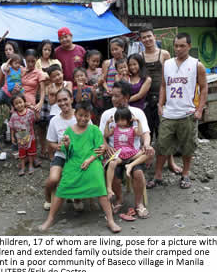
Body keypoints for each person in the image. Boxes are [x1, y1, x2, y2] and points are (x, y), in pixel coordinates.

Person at [40, 100, 121, 233]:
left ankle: (110, 220)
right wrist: (66, 145)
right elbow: (68, 152)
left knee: (99, 182)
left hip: (92, 161)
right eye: (80, 115)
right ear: (75, 114)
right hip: (73, 161)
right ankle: (50, 219)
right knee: (62, 186)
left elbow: (99, 149)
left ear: (90, 117)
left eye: (86, 116)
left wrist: (89, 160)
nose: (83, 118)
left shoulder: (94, 129)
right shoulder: (69, 130)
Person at [150, 33, 208, 189]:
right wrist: (160, 105)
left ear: (189, 46)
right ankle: (158, 176)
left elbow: (204, 88)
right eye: (176, 45)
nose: (178, 49)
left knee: (188, 147)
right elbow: (163, 85)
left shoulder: (197, 65)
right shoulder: (167, 64)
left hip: (187, 113)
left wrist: (199, 109)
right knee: (162, 146)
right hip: (169, 113)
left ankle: (185, 174)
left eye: (182, 45)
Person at [99, 80, 154, 218]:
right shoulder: (107, 114)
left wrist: (146, 144)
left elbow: (145, 133)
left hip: (133, 153)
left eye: (117, 96)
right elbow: (101, 136)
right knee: (113, 173)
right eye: (112, 95)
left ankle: (139, 204)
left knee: (138, 173)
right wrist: (106, 145)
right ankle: (119, 199)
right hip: (115, 153)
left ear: (126, 97)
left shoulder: (137, 112)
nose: (113, 99)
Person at [139, 25, 182, 176]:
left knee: (165, 132)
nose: (147, 39)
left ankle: (170, 162)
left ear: (154, 36)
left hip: (163, 98)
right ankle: (146, 159)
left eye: (149, 36)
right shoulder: (140, 56)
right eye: (144, 37)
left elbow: (172, 75)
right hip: (145, 98)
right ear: (141, 40)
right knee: (146, 131)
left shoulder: (164, 54)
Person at [104, 107, 148, 199]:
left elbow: (140, 133)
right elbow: (106, 135)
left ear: (128, 119)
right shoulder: (114, 128)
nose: (120, 122)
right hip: (119, 153)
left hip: (131, 153)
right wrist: (107, 124)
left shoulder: (133, 128)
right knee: (112, 163)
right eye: (118, 120)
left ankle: (131, 165)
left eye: (122, 120)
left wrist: (138, 122)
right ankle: (109, 188)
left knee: (146, 153)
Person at [9, 94, 40, 175]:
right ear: (14, 106)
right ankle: (22, 167)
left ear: (24, 102)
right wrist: (12, 137)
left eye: (20, 102)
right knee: (22, 154)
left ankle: (30, 165)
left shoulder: (30, 112)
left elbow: (37, 119)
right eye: (16, 103)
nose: (19, 105)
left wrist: (36, 112)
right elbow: (12, 127)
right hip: (20, 139)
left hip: (30, 137)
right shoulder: (14, 116)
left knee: (31, 152)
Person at [0, 40, 23, 109]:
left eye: (10, 49)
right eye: (6, 50)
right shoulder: (4, 66)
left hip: (16, 94)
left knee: (15, 113)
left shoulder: (22, 64)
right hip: (4, 92)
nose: (8, 51)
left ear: (15, 50)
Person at [102, 37, 127, 110]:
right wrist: (107, 89)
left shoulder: (127, 62)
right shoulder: (107, 63)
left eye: (116, 49)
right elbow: (103, 79)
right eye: (112, 50)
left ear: (122, 48)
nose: (114, 52)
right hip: (109, 96)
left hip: (123, 96)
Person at [85, 50, 104, 125]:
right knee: (95, 119)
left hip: (103, 99)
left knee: (102, 118)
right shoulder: (85, 73)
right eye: (93, 61)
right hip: (93, 100)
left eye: (97, 61)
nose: (95, 63)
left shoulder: (101, 70)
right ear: (87, 60)